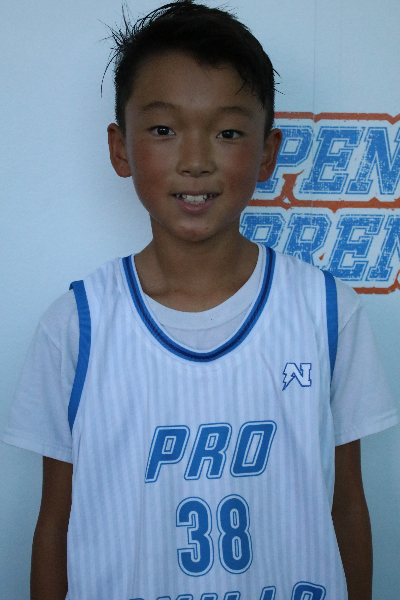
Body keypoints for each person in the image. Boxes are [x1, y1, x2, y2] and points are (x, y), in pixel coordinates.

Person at [3, 2, 398, 599]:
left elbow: (346, 507)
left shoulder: (327, 313)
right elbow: (56, 523)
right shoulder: (77, 328)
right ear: (120, 148)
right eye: (163, 130)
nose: (194, 161)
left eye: (228, 132)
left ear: (267, 153)